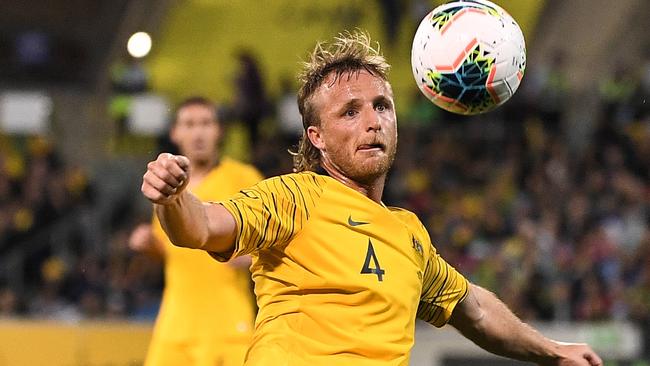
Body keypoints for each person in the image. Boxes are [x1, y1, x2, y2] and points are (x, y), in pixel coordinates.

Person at [140, 32, 603, 366]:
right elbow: (201, 227)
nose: (373, 121)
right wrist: (172, 198)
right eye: (350, 111)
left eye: (382, 106)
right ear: (316, 137)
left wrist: (552, 351)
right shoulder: (293, 197)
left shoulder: (409, 233)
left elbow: (475, 311)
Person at [131, 96, 263, 366]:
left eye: (206, 123)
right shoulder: (167, 185)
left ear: (219, 131)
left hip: (227, 325)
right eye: (189, 124)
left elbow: (272, 240)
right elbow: (171, 253)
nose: (198, 132)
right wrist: (150, 245)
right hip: (175, 325)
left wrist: (250, 256)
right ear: (175, 132)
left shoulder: (243, 177)